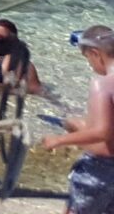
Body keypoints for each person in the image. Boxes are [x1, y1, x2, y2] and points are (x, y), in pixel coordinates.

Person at [44, 26, 114, 214]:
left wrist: (58, 140)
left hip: (100, 170)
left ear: (95, 53)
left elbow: (102, 132)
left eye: (88, 59)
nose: (91, 65)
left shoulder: (103, 82)